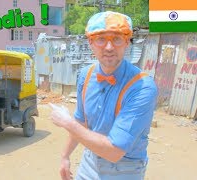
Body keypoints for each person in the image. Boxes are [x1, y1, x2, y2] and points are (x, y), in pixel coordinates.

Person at [50, 11, 158, 180]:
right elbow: (81, 121)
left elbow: (114, 151)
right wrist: (65, 156)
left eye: (116, 39)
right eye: (101, 39)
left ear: (127, 42)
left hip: (125, 170)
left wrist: (66, 122)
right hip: (89, 162)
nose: (109, 47)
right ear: (90, 43)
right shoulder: (85, 75)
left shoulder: (142, 87)